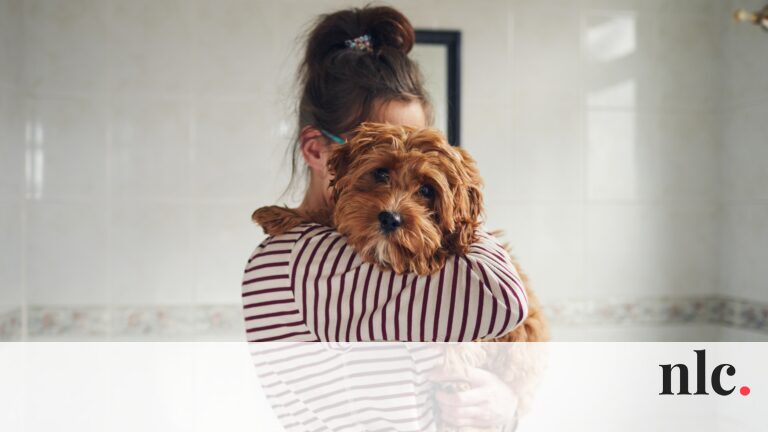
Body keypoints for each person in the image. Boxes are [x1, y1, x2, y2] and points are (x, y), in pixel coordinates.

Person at [243, 6, 525, 431]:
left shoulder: (315, 254)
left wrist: (502, 409)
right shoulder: (305, 259)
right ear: (318, 150)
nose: (396, 204)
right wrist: (460, 192)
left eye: (420, 150)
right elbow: (503, 299)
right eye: (380, 165)